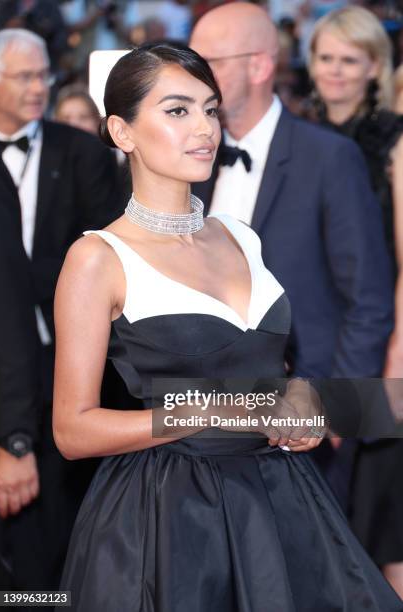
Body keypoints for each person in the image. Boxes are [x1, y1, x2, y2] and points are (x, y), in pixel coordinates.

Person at [53, 41, 402, 611]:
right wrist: (205, 412)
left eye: (210, 109)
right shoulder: (97, 257)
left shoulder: (240, 234)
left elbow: (268, 366)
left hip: (281, 498)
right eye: (177, 110)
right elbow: (72, 430)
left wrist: (298, 395)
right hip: (169, 514)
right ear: (122, 132)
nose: (204, 128)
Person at [189, 1, 394, 520]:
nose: (191, 76)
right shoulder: (188, 163)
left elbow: (368, 300)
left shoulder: (328, 158)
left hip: (304, 423)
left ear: (259, 66)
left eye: (207, 61)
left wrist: (333, 411)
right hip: (202, 425)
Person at [0, 28, 121, 591]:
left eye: (43, 74)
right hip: (9, 372)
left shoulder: (85, 156)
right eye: (24, 75)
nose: (38, 87)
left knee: (49, 546)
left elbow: (108, 257)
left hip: (65, 370)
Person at [308, 5, 403, 596]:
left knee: (380, 517)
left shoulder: (392, 141)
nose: (335, 72)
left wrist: (396, 353)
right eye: (325, 58)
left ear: (375, 67)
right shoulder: (292, 134)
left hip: (380, 343)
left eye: (350, 60)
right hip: (314, 342)